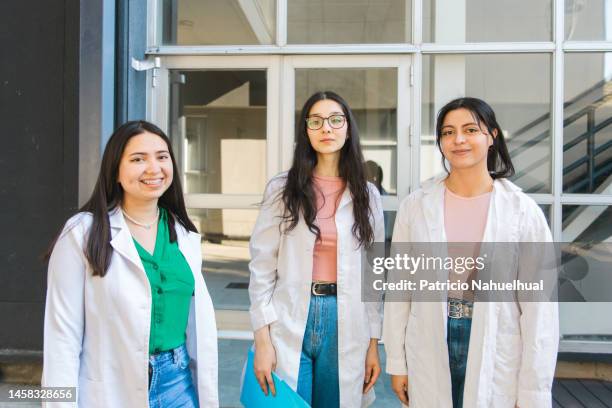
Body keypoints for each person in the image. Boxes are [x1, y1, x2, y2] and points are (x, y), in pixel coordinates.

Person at [383, 97, 559, 408]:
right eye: (448, 132)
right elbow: (400, 288)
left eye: (470, 129)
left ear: (492, 135)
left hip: (496, 340)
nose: (458, 140)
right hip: (430, 336)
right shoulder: (416, 206)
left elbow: (540, 311)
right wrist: (397, 361)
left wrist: (533, 391)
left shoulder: (522, 211)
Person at [42, 121, 218, 407]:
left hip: (178, 382)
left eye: (162, 157)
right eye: (138, 159)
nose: (153, 168)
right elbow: (61, 337)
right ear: (116, 171)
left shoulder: (184, 234)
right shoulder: (82, 233)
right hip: (111, 386)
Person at [248, 91, 385, 407]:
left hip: (347, 320)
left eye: (336, 120)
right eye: (316, 121)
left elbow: (373, 276)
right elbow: (262, 266)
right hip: (291, 314)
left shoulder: (368, 195)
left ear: (348, 128)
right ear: (305, 131)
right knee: (287, 401)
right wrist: (262, 339)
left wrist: (373, 343)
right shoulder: (282, 189)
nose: (327, 128)